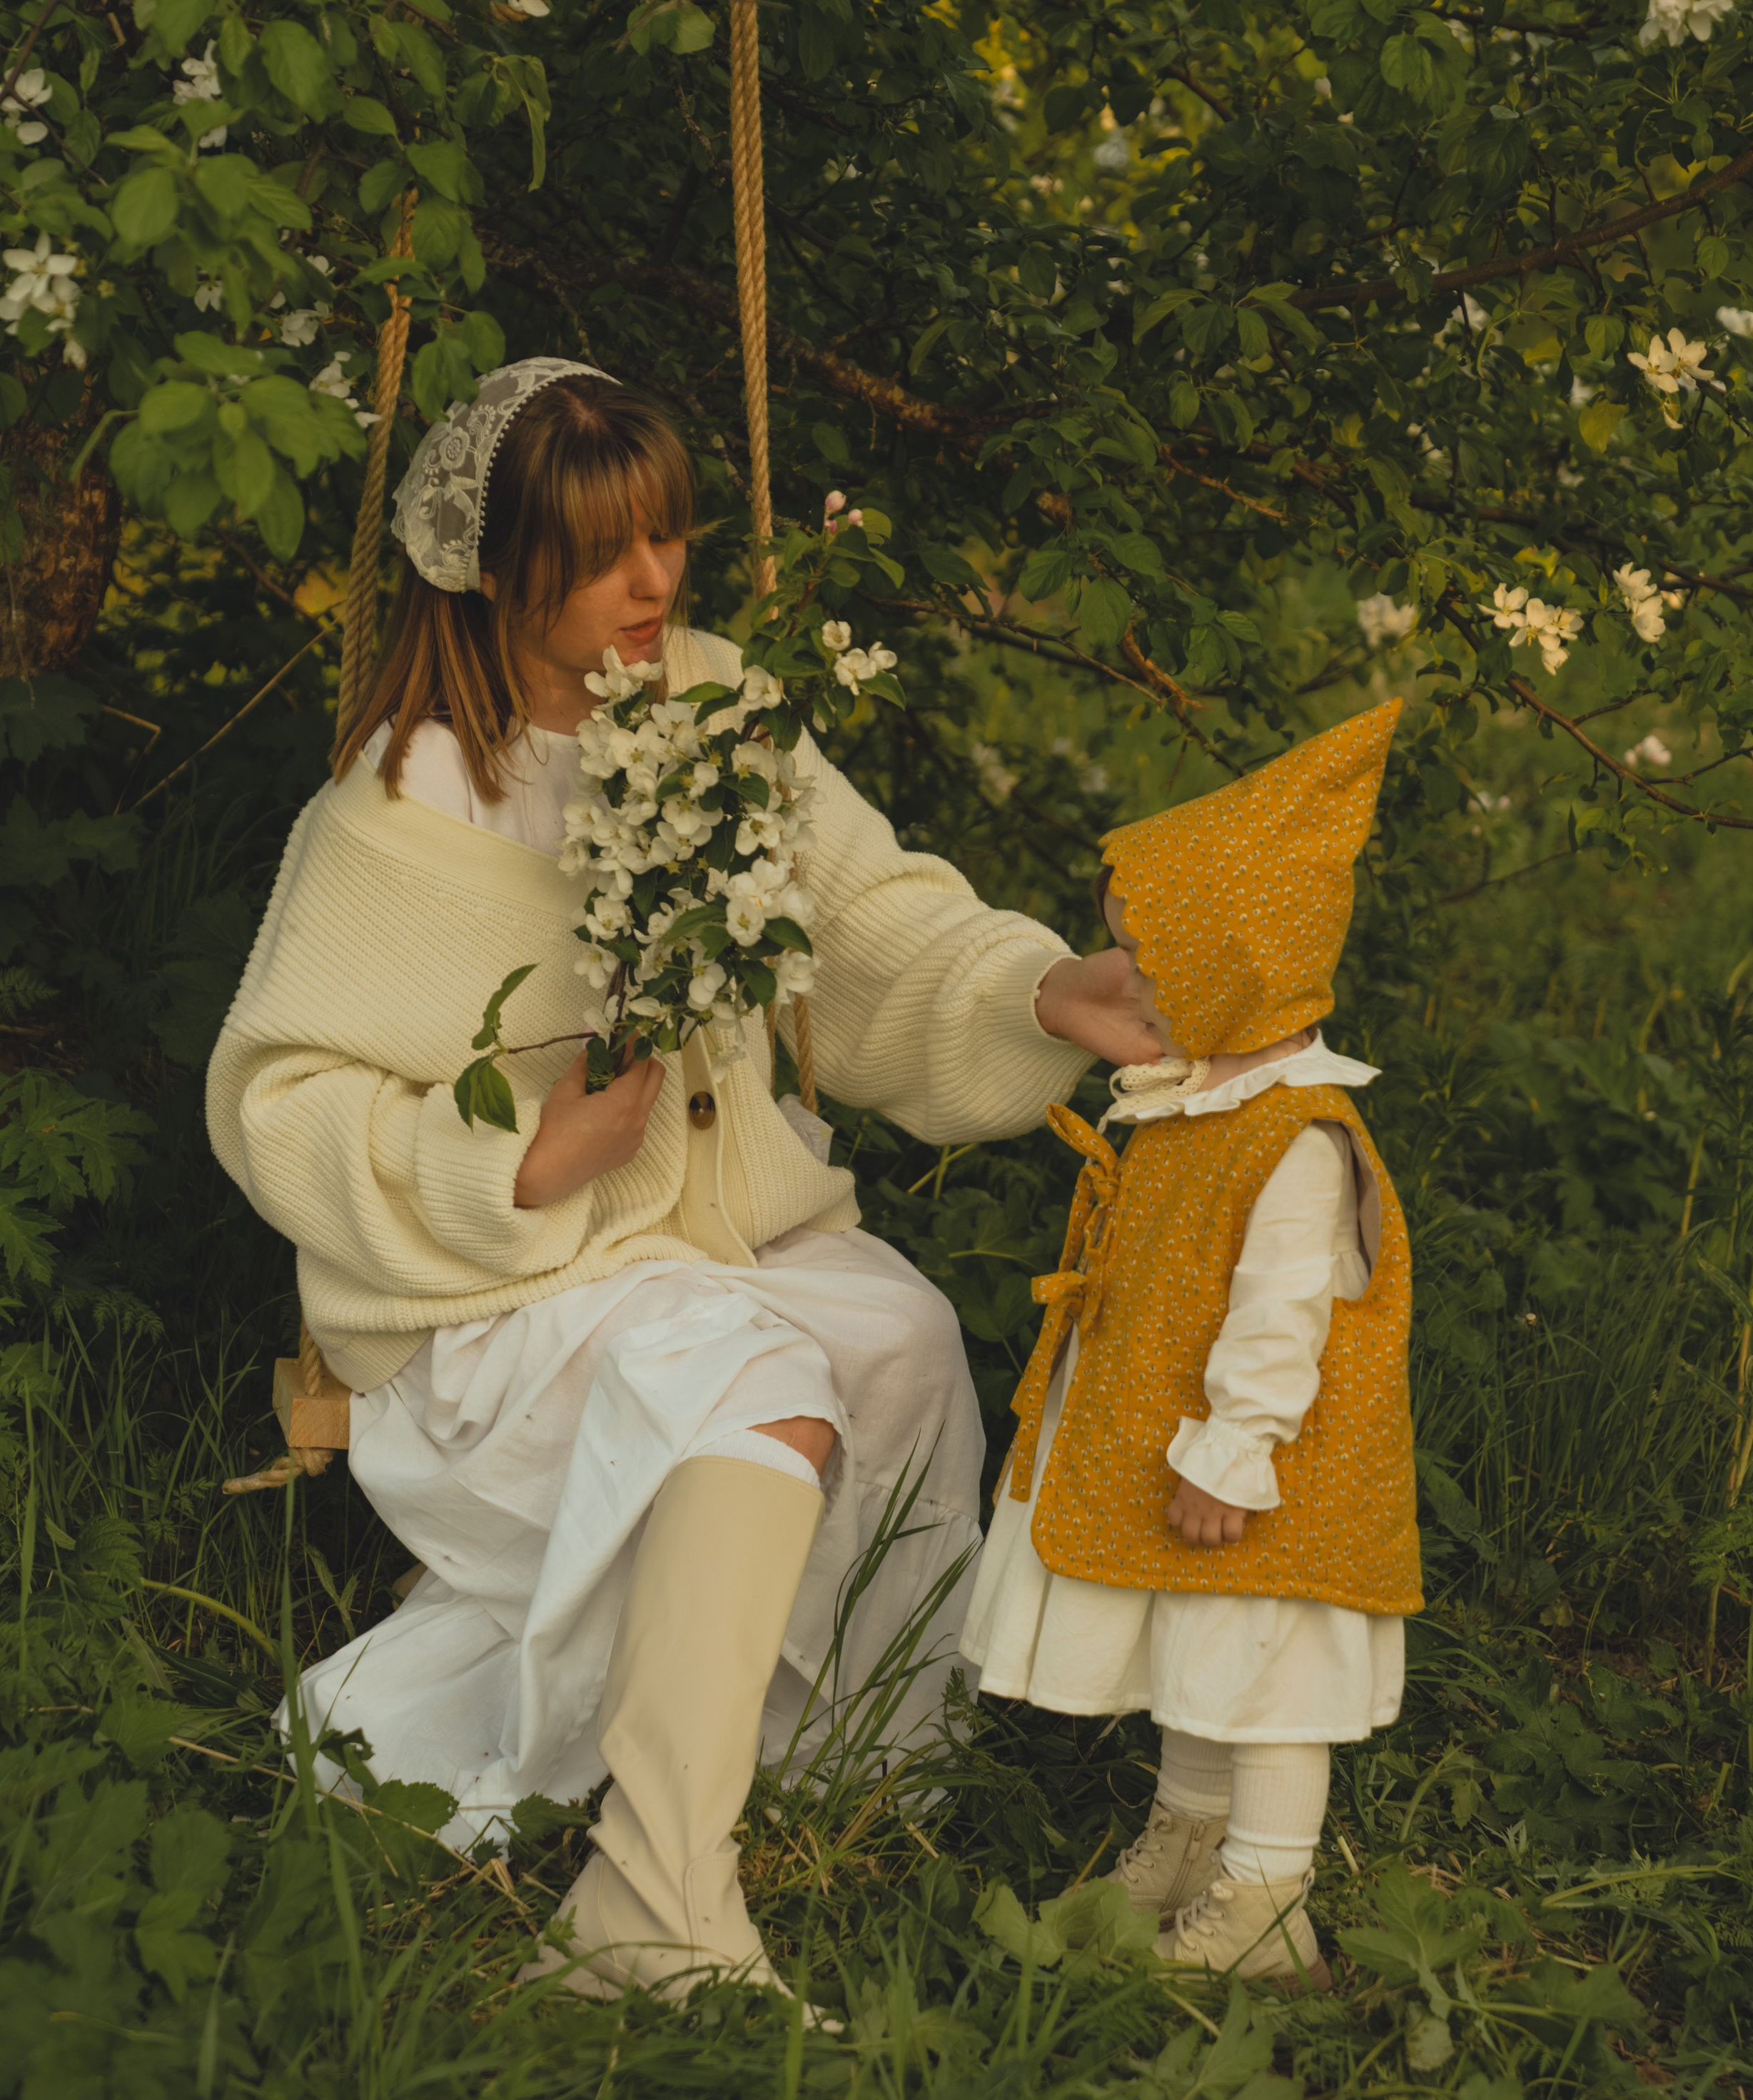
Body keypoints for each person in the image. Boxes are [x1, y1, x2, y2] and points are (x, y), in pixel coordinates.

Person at [206, 358, 1154, 2011]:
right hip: (488, 1291)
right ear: (498, 569)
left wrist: (1031, 990)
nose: (653, 583)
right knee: (758, 1388)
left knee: (902, 1340)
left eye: (666, 537)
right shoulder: (396, 809)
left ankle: (828, 1770)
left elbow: (861, 917)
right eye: (603, 552)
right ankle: (646, 1904)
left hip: (704, 1236)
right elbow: (280, 1099)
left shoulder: (713, 705)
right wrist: (505, 1149)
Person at [961, 704, 1420, 1987]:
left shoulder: (1298, 1139)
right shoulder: (1206, 1108)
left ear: (1238, 968)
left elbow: (1283, 1314)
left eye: (1158, 967)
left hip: (1276, 1478)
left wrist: (1234, 1450)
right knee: (1202, 1665)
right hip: (1207, 1456)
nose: (1139, 989)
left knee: (1269, 1686)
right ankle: (1189, 1841)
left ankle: (1268, 1908)